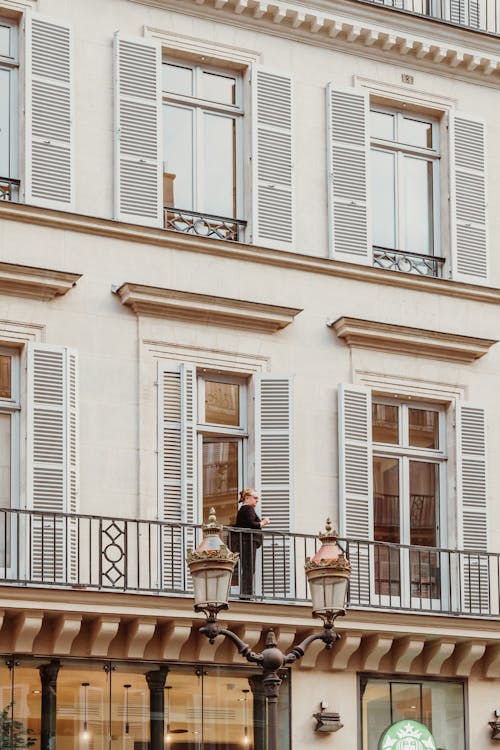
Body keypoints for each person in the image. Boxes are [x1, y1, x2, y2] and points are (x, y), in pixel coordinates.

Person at [233, 488, 270, 598]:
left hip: (246, 541)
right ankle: (247, 593)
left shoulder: (244, 509)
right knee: (249, 567)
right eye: (255, 498)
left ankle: (247, 593)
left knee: (248, 567)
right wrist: (263, 522)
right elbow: (251, 524)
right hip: (247, 542)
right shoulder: (247, 508)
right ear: (247, 498)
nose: (257, 500)